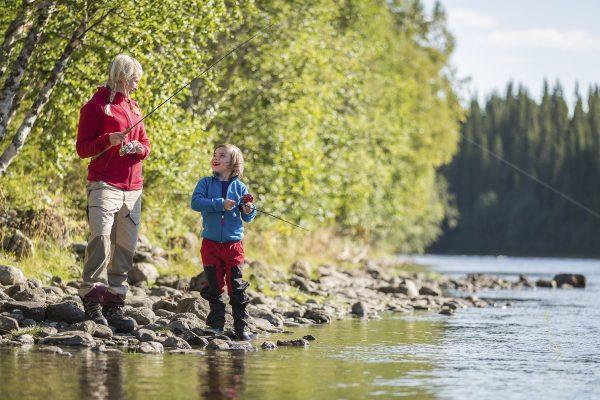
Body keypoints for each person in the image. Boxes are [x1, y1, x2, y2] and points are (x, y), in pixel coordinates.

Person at [75, 54, 151, 333]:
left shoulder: (134, 108)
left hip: (133, 188)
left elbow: (146, 143)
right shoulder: (95, 107)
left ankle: (114, 304)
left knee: (126, 248)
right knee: (101, 240)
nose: (137, 84)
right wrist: (108, 140)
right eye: (134, 79)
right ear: (120, 76)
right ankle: (92, 299)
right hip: (104, 184)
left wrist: (137, 149)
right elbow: (83, 148)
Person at [191, 144, 257, 341]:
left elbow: (249, 217)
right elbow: (196, 203)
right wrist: (220, 203)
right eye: (214, 154)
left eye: (222, 155)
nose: (216, 157)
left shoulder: (240, 187)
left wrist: (248, 210)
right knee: (214, 286)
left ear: (233, 162)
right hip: (210, 244)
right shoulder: (205, 183)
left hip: (234, 245)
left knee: (236, 287)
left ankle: (240, 327)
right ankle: (216, 325)